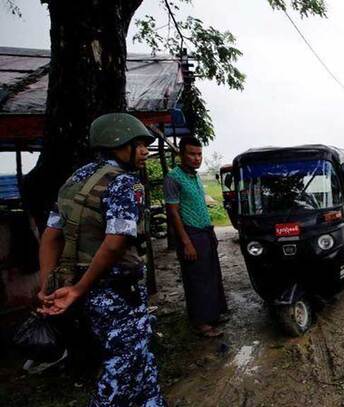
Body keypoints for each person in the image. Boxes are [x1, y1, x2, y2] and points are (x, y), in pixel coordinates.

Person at [37, 112, 165, 406]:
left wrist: (48, 287)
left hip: (88, 291)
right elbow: (114, 243)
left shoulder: (74, 180)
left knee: (140, 355)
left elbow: (50, 236)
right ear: (117, 144)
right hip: (116, 290)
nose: (145, 151)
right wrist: (79, 288)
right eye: (139, 144)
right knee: (121, 366)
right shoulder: (125, 184)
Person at [164, 136, 228, 337]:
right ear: (180, 154)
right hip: (190, 234)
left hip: (205, 232)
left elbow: (200, 206)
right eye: (191, 154)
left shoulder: (195, 176)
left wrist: (211, 232)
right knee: (197, 280)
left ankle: (214, 314)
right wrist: (185, 242)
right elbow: (173, 212)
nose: (196, 158)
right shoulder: (173, 178)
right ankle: (201, 323)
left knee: (211, 275)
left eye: (199, 154)